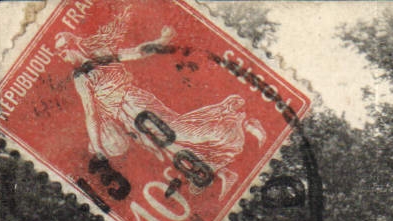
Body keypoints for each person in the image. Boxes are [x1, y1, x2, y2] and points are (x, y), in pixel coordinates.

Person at [55, 7, 265, 195]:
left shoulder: (97, 59)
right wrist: (98, 146)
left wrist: (160, 42)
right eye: (59, 53)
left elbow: (135, 53)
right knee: (172, 150)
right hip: (128, 119)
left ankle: (240, 120)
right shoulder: (81, 75)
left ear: (75, 45)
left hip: (136, 104)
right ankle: (224, 172)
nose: (62, 55)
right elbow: (92, 113)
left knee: (181, 133)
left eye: (64, 49)